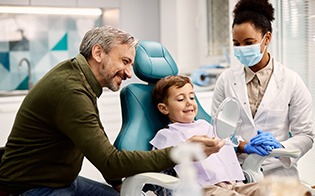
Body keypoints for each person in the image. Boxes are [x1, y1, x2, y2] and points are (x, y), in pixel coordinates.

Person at [0, 26, 224, 195]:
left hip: (63, 180)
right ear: (98, 53)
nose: (129, 73)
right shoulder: (71, 90)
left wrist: (120, 184)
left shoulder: (81, 79)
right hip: (31, 187)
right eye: (125, 61)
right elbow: (110, 161)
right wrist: (181, 151)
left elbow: (97, 144)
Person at [211, 0, 314, 179]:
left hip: (277, 171)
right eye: (236, 44)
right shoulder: (226, 80)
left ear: (267, 38)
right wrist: (243, 146)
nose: (242, 49)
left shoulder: (291, 81)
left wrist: (279, 147)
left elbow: (306, 134)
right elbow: (216, 131)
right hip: (235, 171)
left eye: (248, 42)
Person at [150, 75, 260, 196]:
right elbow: (162, 172)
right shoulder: (166, 135)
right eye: (180, 99)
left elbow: (227, 144)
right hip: (203, 189)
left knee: (269, 189)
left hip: (234, 184)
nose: (189, 103)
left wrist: (238, 143)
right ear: (164, 108)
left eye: (192, 97)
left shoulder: (206, 125)